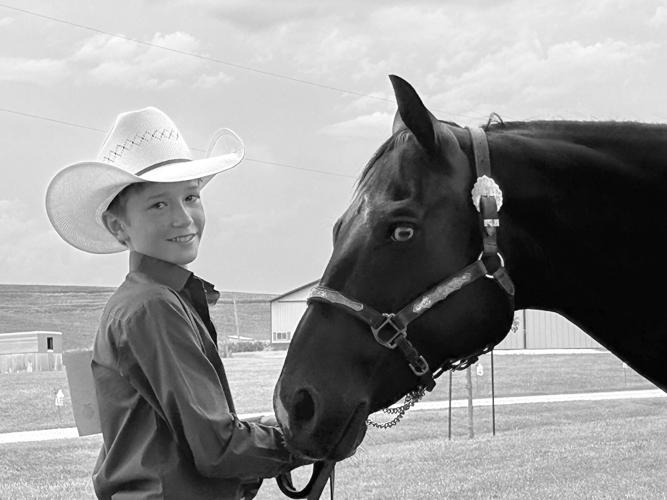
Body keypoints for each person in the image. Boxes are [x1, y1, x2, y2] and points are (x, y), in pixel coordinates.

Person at [45, 107, 309, 499]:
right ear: (119, 227)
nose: (183, 218)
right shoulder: (153, 307)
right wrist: (303, 441)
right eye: (159, 205)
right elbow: (217, 449)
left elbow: (178, 439)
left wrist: (270, 431)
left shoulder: (149, 300)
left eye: (191, 197)